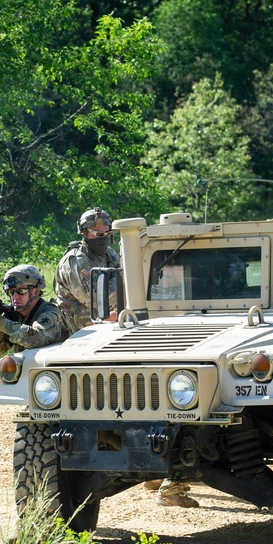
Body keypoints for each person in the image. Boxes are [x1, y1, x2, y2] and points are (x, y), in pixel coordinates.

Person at [56, 208, 197, 508]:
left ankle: (159, 469)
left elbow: (127, 289)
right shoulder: (75, 260)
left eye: (106, 230)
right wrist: (139, 294)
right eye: (96, 231)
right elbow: (92, 295)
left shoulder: (108, 257)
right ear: (83, 233)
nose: (103, 235)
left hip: (111, 334)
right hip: (79, 340)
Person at [53, 207, 121, 334]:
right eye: (99, 235)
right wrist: (121, 281)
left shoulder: (109, 254)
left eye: (108, 234)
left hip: (103, 326)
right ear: (84, 233)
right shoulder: (76, 261)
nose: (104, 238)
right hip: (75, 332)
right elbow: (95, 301)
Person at [0, 264, 63, 359]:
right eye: (11, 292)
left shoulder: (50, 313)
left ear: (34, 291)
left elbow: (37, 339)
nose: (15, 297)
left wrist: (1, 323)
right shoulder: (15, 315)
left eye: (21, 291)